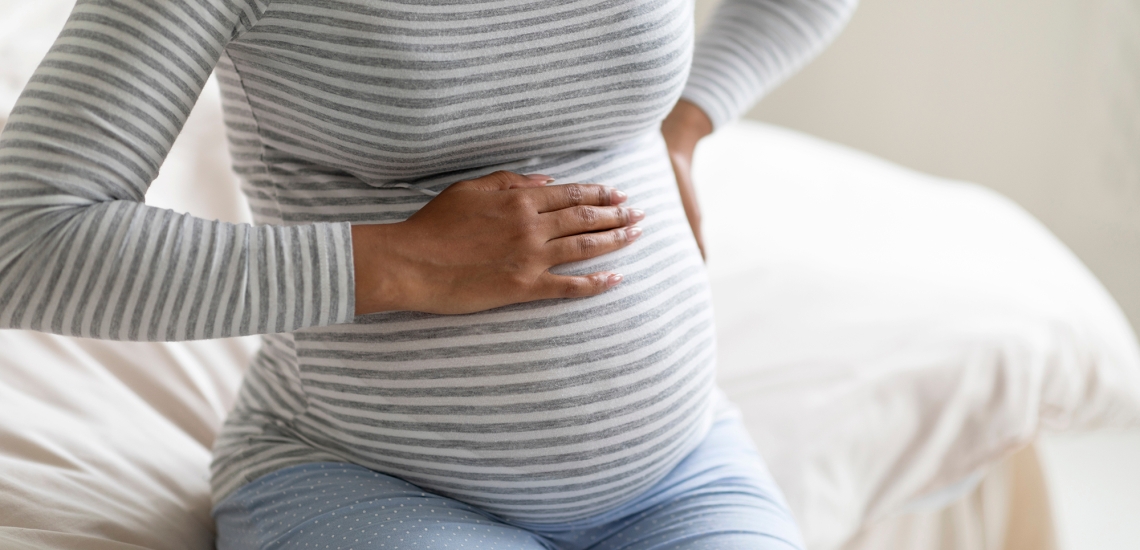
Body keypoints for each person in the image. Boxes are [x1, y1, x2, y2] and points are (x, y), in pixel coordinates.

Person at [0, 0, 857, 547]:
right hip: (367, 481)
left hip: (681, 468)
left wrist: (685, 122)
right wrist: (403, 261)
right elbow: (24, 240)